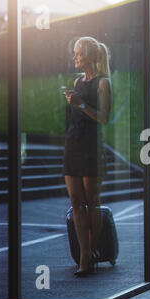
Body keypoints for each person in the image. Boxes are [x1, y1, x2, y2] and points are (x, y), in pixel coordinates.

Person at [63, 36, 112, 277]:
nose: (74, 57)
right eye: (74, 53)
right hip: (73, 146)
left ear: (90, 57)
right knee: (75, 201)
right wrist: (73, 102)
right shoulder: (77, 82)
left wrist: (81, 104)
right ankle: (84, 253)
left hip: (91, 148)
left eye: (78, 53)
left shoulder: (103, 83)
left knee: (91, 201)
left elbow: (104, 117)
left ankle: (90, 252)